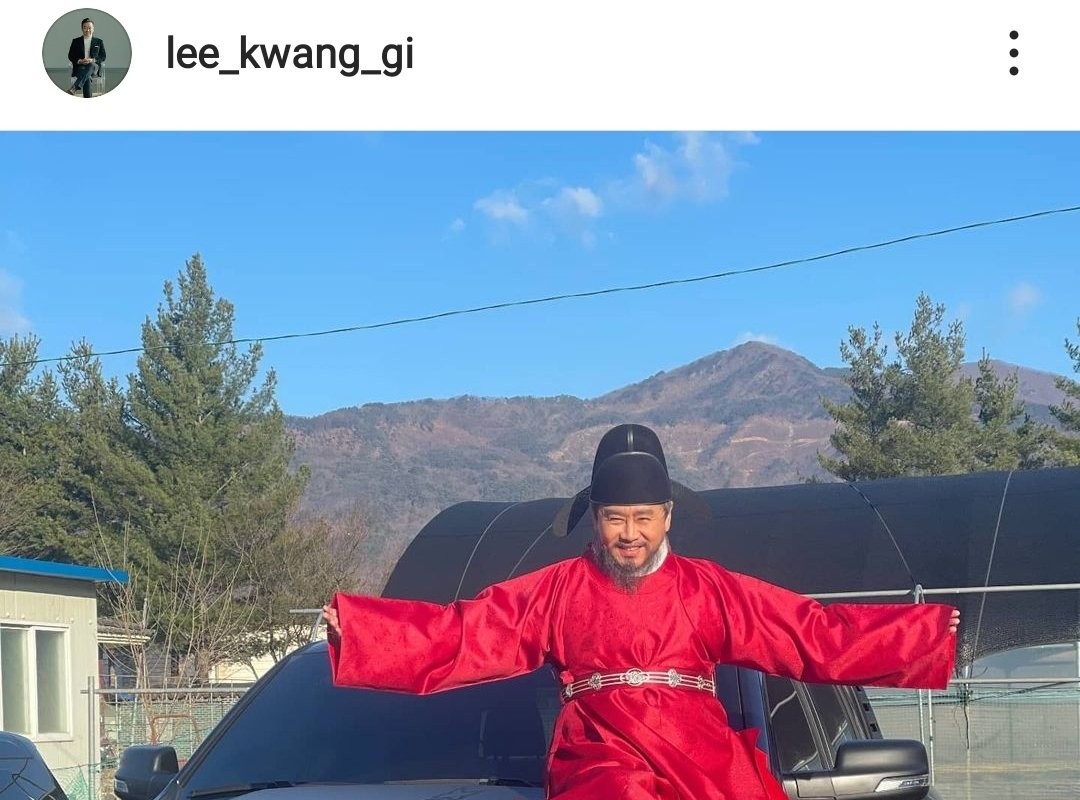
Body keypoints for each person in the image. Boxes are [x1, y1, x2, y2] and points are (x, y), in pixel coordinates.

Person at [323, 423, 960, 800]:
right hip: (599, 753)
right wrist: (364, 632)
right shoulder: (555, 592)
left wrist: (919, 635)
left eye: (644, 518)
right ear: (594, 520)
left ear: (668, 516)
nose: (630, 534)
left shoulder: (709, 589)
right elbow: (466, 633)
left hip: (697, 751)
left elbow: (807, 632)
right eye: (616, 519)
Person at [67, 18, 106, 97]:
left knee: (91, 65)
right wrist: (80, 61)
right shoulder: (76, 41)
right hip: (80, 67)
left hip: (94, 67)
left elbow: (103, 56)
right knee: (87, 77)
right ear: (82, 29)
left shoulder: (99, 41)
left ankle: (74, 88)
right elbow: (70, 55)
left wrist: (92, 60)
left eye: (89, 28)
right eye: (85, 28)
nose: (87, 30)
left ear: (93, 29)